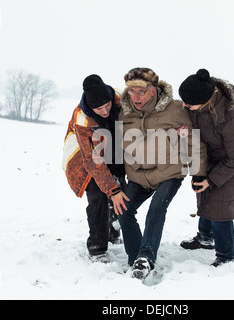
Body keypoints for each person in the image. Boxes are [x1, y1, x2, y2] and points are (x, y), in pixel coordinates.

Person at [117, 67, 207, 279]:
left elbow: (194, 141)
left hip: (170, 172)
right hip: (139, 175)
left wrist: (199, 173)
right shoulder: (125, 112)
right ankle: (136, 258)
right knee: (123, 209)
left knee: (157, 208)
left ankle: (146, 257)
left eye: (141, 91)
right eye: (131, 91)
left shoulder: (175, 109)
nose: (135, 96)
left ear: (153, 90)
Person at [178, 69, 234, 267]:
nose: (184, 105)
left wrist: (212, 179)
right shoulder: (196, 104)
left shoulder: (231, 116)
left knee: (220, 200)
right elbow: (191, 125)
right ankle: (205, 237)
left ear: (204, 100)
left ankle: (226, 254)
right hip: (214, 148)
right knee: (202, 189)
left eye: (188, 103)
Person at [62, 74, 130, 263]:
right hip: (83, 157)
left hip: (113, 146)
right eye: (99, 109)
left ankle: (113, 230)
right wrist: (111, 189)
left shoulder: (119, 97)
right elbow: (93, 162)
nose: (105, 110)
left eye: (107, 105)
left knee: (119, 187)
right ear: (91, 107)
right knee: (98, 195)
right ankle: (97, 247)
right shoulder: (82, 120)